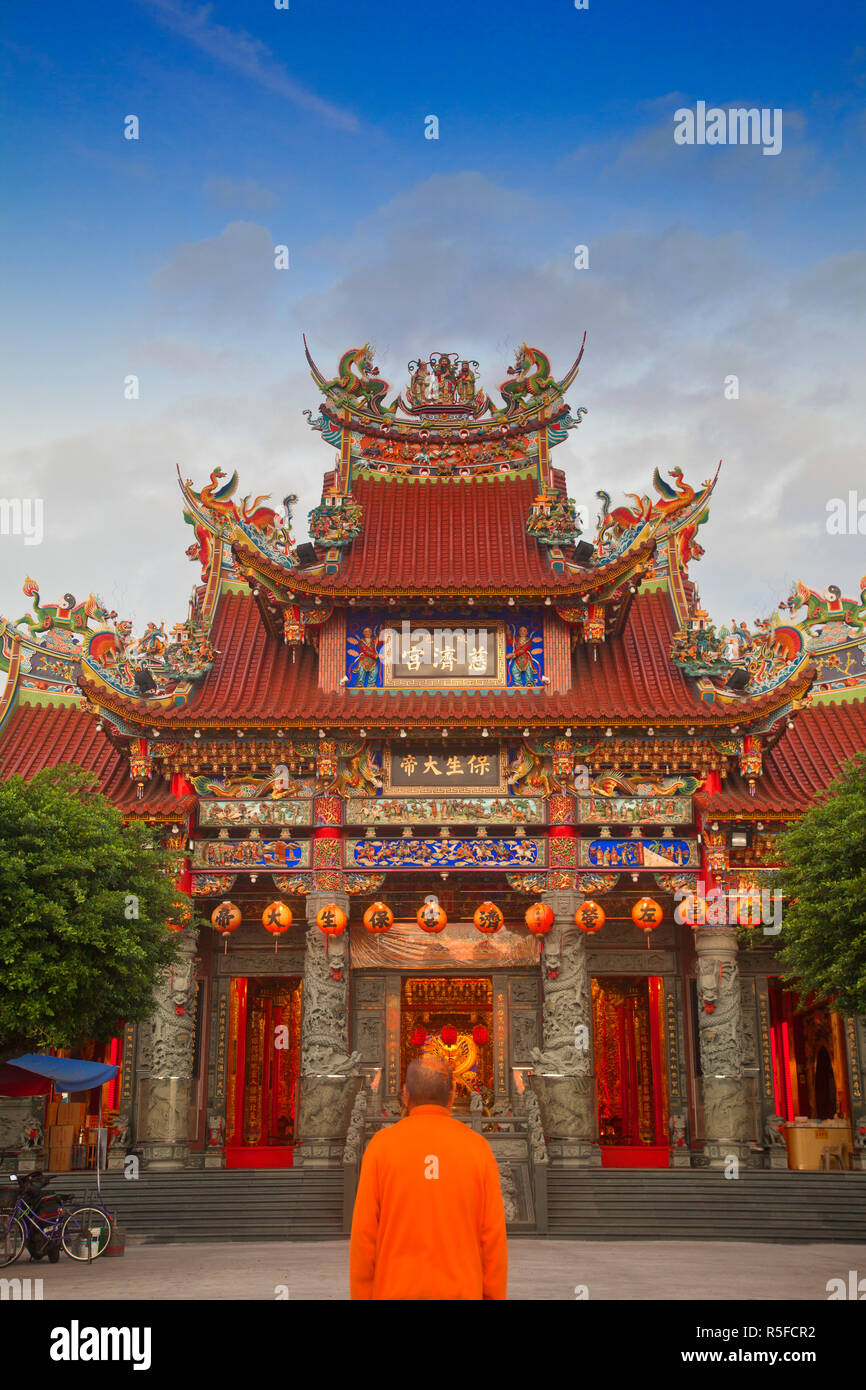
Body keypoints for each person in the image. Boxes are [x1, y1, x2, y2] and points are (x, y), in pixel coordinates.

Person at [349, 1057, 508, 1300]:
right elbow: (493, 1240)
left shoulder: (381, 1147)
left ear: (405, 1094)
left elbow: (364, 1238)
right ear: (453, 1095)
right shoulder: (477, 1148)